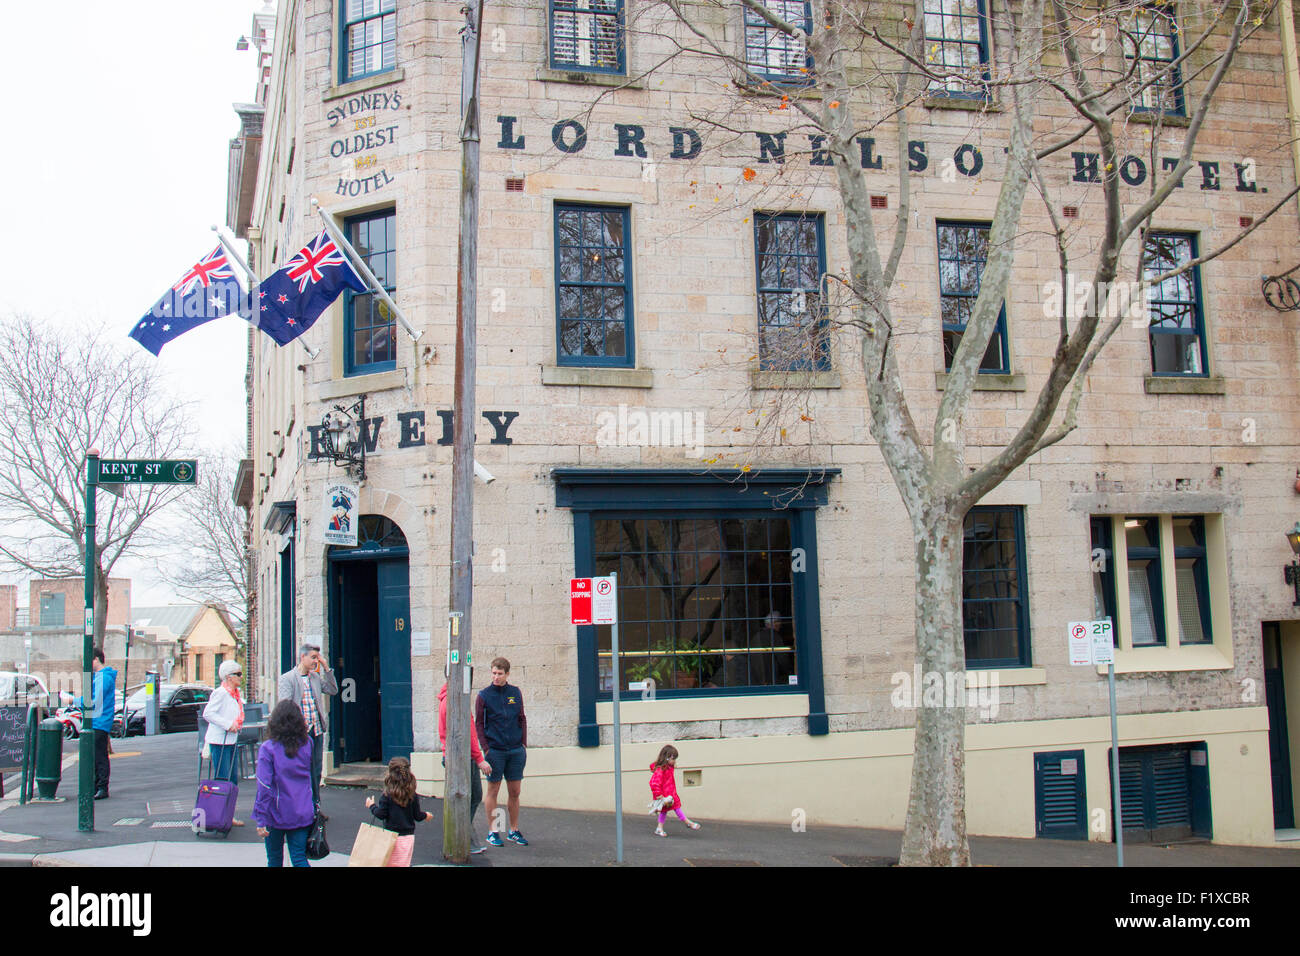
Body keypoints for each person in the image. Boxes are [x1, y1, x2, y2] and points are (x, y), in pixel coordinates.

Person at [252, 700, 316, 867]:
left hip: (276, 811)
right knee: (299, 858)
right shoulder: (308, 743)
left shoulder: (268, 748)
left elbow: (264, 786)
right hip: (302, 809)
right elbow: (312, 775)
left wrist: (261, 817)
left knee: (274, 860)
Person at [277, 643, 338, 817]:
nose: (315, 661)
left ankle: (315, 808)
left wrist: (327, 668)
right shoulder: (287, 679)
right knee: (300, 770)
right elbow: (285, 706)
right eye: (313, 657)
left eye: (317, 658)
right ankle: (301, 807)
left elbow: (333, 690)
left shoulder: (316, 677)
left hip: (316, 731)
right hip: (299, 733)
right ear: (302, 657)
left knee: (316, 771)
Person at [475, 657, 528, 847]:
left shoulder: (515, 693)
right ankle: (494, 830)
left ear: (507, 674)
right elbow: (479, 724)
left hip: (515, 750)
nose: (496, 677)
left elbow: (521, 718)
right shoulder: (484, 695)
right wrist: (486, 749)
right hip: (495, 751)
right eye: (494, 673)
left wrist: (523, 744)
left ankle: (513, 830)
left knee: (515, 791)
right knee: (493, 790)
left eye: (500, 674)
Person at [438, 679, 493, 854]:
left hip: (453, 755)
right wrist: (479, 759)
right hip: (463, 757)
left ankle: (463, 836)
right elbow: (467, 733)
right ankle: (463, 837)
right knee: (473, 796)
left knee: (463, 796)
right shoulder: (456, 701)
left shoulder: (446, 699)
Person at [201, 660, 247, 827]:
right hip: (220, 740)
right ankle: (220, 814)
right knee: (223, 777)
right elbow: (208, 713)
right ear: (228, 677)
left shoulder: (235, 694)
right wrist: (228, 724)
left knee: (232, 779)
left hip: (230, 740)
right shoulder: (220, 693)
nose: (240, 678)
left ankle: (228, 814)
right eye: (238, 674)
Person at [365, 757, 432, 867]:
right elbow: (417, 815)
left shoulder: (387, 795)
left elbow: (380, 814)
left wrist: (371, 805)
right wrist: (426, 815)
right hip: (408, 838)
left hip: (391, 837)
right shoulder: (412, 795)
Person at [73, 649, 117, 800]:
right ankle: (97, 786)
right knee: (96, 756)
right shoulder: (99, 677)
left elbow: (93, 701)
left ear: (96, 659)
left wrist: (72, 701)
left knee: (98, 756)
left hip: (99, 721)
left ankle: (101, 787)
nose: (86, 665)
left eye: (88, 661)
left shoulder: (103, 678)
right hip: (97, 720)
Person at [648, 744, 700, 837]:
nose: (674, 761)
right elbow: (654, 783)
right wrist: (658, 795)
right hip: (665, 796)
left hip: (670, 794)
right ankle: (688, 822)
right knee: (675, 808)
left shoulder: (668, 768)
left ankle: (659, 828)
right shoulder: (661, 770)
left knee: (666, 811)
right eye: (673, 759)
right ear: (667, 758)